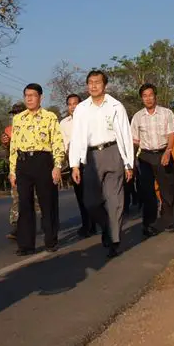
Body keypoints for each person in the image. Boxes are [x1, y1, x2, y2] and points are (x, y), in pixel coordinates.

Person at [68, 70, 135, 258]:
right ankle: (107, 226)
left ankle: (115, 240)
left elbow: (126, 135)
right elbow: (77, 136)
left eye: (97, 82)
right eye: (90, 82)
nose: (93, 86)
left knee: (115, 200)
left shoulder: (116, 106)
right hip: (91, 157)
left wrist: (129, 163)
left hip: (113, 152)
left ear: (104, 85)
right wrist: (74, 164)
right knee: (90, 202)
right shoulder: (81, 108)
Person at [9, 84, 65, 255]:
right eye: (26, 95)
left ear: (41, 97)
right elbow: (14, 145)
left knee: (47, 202)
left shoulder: (50, 117)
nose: (29, 98)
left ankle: (50, 240)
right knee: (24, 204)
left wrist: (57, 165)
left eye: (33, 95)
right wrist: (12, 170)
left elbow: (57, 141)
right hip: (23, 162)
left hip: (43, 161)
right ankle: (26, 245)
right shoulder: (18, 119)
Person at [130, 83, 174, 234]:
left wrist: (168, 151)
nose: (148, 98)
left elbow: (172, 133)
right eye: (145, 96)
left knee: (167, 189)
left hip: (163, 153)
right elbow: (134, 139)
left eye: (150, 95)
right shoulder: (137, 117)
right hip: (145, 156)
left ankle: (168, 220)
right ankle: (149, 223)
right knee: (146, 192)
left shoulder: (166, 113)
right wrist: (132, 159)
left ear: (155, 96)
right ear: (141, 99)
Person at [60, 93, 96, 238]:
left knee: (92, 194)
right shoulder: (64, 123)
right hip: (74, 163)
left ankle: (94, 222)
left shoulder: (89, 119)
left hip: (90, 160)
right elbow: (62, 144)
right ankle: (86, 224)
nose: (73, 106)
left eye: (75, 103)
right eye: (70, 104)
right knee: (80, 195)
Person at [2, 102, 38, 240]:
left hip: (34, 166)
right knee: (17, 198)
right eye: (14, 113)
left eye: (18, 112)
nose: (15, 115)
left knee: (37, 198)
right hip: (17, 168)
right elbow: (7, 152)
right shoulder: (8, 130)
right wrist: (5, 144)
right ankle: (18, 227)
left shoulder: (34, 125)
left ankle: (48, 221)